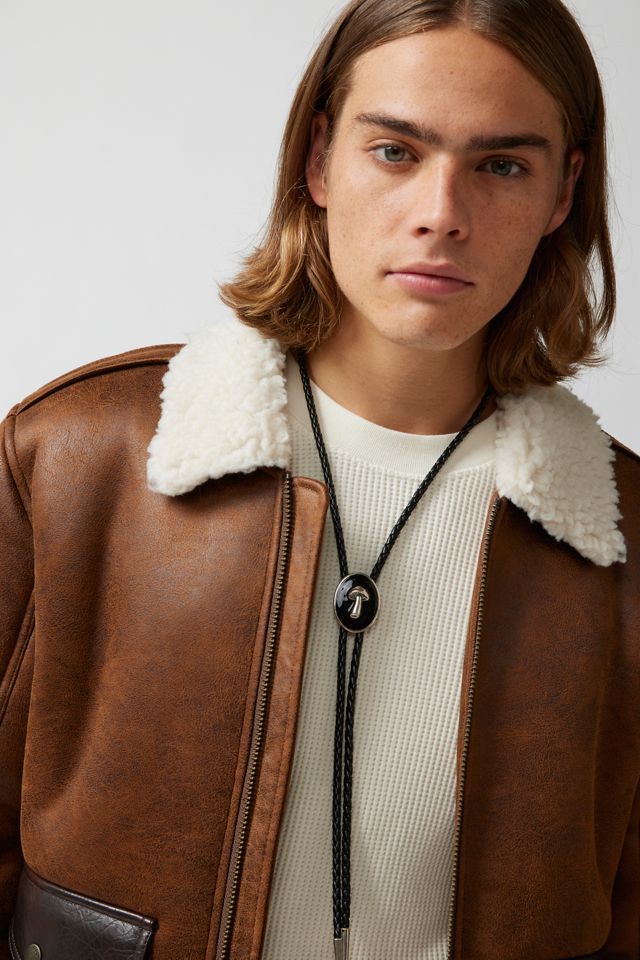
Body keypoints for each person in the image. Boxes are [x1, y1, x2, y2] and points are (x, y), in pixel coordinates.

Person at [1, 0, 638, 958]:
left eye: (502, 165)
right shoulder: (77, 458)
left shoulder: (623, 541)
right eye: (395, 151)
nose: (441, 213)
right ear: (318, 161)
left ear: (562, 193)